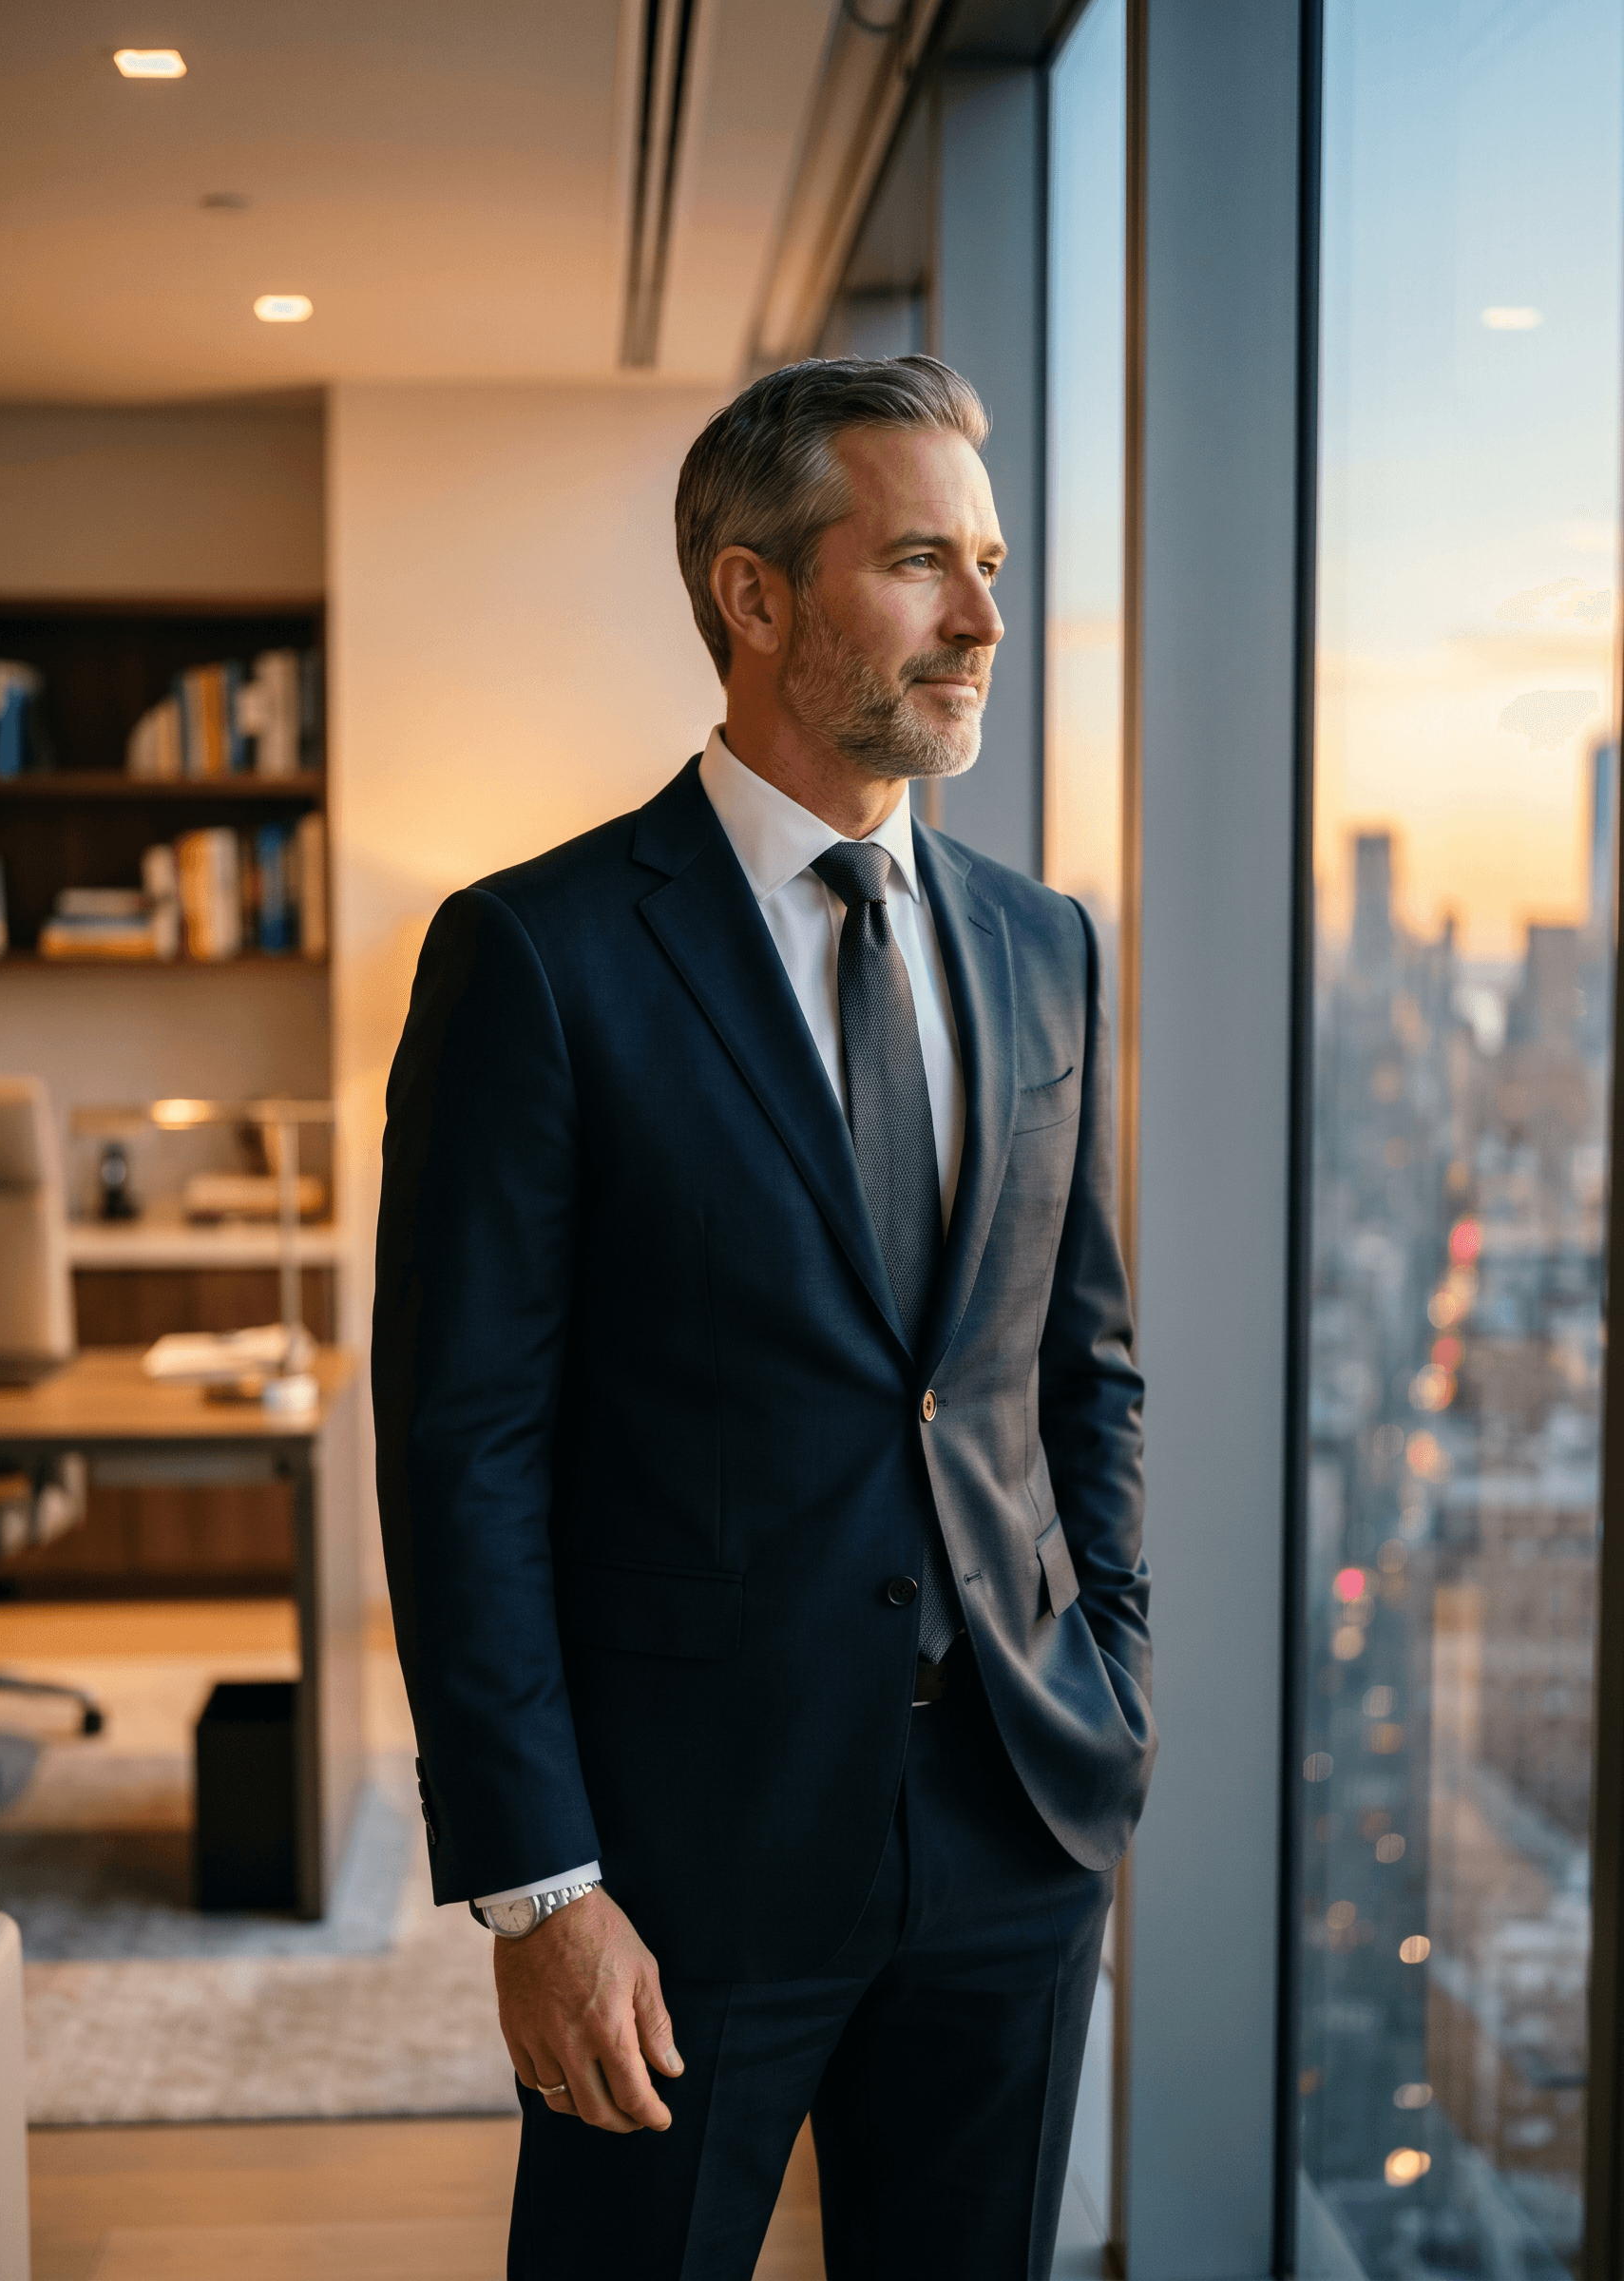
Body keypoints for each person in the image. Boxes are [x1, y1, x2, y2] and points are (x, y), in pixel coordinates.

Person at [373, 354, 1154, 2280]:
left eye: (984, 562)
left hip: (1008, 1825)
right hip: (670, 1865)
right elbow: (461, 1451)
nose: (981, 618)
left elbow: (1079, 1368)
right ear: (753, 594)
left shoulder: (1044, 944)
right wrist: (540, 1887)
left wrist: (1108, 1680)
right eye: (917, 562)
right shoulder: (535, 956)